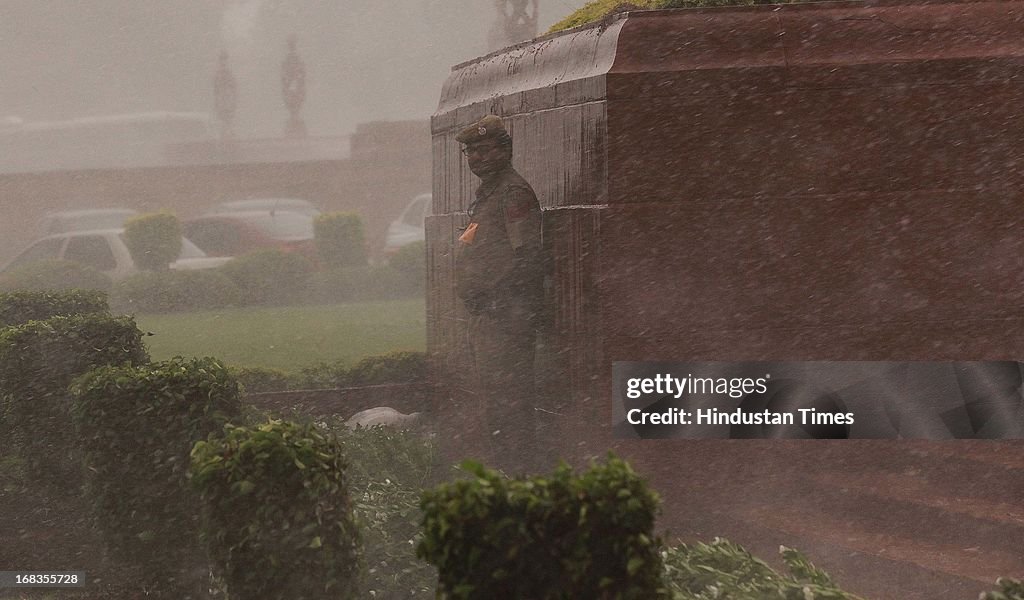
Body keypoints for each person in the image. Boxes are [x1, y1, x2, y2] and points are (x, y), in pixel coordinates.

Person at [454, 114, 544, 474]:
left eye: (485, 149)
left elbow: (528, 258)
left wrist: (495, 300)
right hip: (488, 318)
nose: (477, 158)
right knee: (494, 405)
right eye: (471, 152)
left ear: (505, 150)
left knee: (510, 406)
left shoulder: (512, 193)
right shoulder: (488, 194)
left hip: (507, 319)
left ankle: (518, 477)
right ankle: (507, 477)